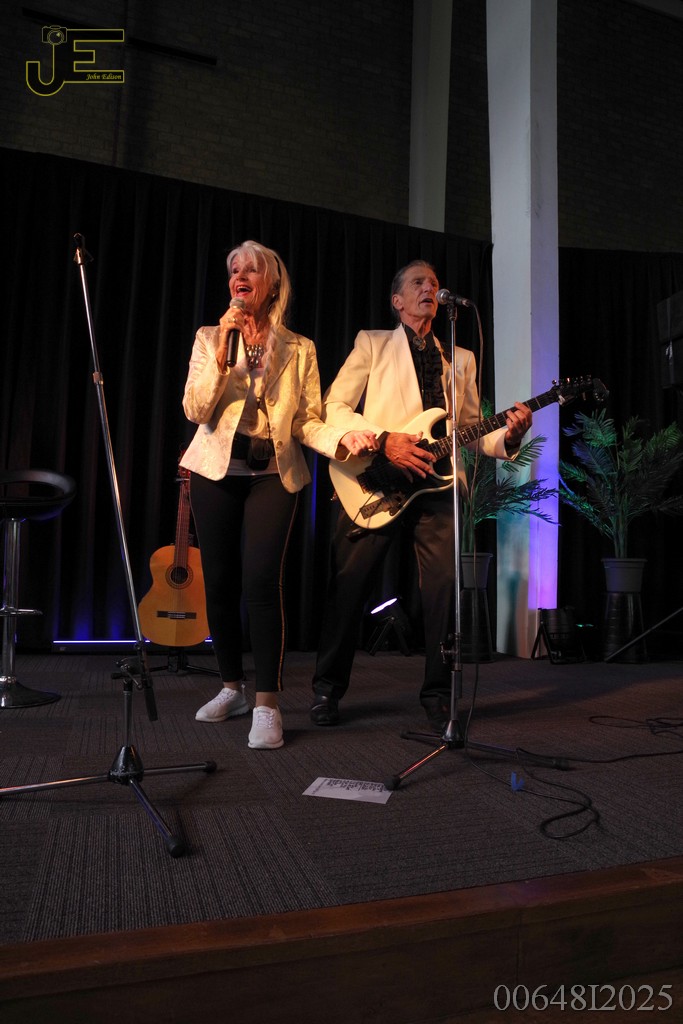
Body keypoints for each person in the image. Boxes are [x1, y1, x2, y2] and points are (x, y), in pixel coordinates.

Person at [310, 259, 532, 731]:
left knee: (443, 593)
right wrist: (385, 438)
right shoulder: (372, 343)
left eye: (434, 283)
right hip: (377, 479)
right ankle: (327, 689)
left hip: (439, 485)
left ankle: (437, 694)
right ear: (398, 300)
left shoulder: (461, 358)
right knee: (349, 587)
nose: (429, 288)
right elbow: (334, 407)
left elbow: (470, 430)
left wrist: (509, 437)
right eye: (418, 283)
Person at [180, 240, 374, 750]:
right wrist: (223, 352)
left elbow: (307, 420)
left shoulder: (299, 348)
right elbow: (196, 410)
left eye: (251, 269)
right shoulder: (209, 337)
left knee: (262, 581)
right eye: (233, 269)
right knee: (219, 582)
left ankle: (266, 703)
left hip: (273, 473)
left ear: (271, 284)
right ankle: (231, 688)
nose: (239, 276)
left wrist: (342, 439)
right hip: (215, 471)